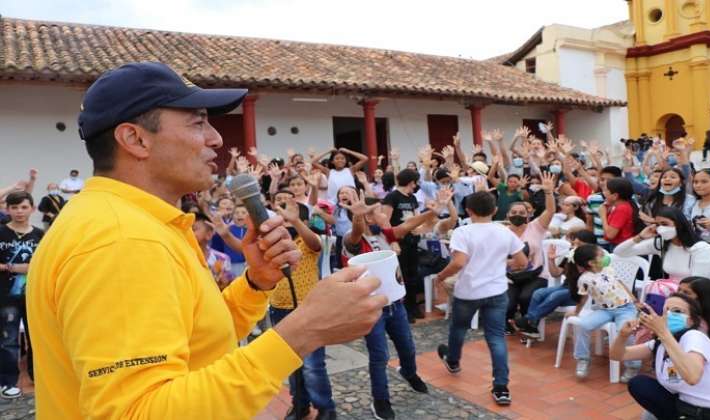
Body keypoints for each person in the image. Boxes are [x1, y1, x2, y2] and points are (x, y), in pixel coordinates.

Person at [26, 61, 387, 420]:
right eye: (198, 122)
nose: (216, 138)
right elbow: (138, 411)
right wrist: (303, 331)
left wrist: (255, 283)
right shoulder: (123, 240)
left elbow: (197, 339)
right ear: (135, 139)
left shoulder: (136, 222)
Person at [342, 191, 438, 420]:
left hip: (396, 304)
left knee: (407, 346)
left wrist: (434, 210)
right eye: (376, 210)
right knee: (379, 356)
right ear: (366, 217)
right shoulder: (350, 238)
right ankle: (381, 400)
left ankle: (409, 372)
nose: (383, 212)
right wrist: (357, 218)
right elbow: (355, 236)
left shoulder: (382, 234)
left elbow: (407, 225)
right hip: (372, 307)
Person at [435, 191, 529, 407]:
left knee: (459, 328)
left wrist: (440, 277)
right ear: (495, 210)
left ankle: (453, 361)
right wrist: (500, 264)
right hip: (496, 291)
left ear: (468, 211)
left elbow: (459, 262)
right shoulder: (504, 232)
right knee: (496, 338)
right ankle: (501, 387)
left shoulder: (463, 231)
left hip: (468, 292)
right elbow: (522, 262)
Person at [611, 294, 710, 419]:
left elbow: (692, 377)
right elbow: (618, 355)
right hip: (687, 411)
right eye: (665, 311)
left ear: (691, 321)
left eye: (677, 311)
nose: (669, 315)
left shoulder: (694, 337)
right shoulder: (660, 344)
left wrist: (663, 333)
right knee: (639, 384)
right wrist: (623, 335)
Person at [269, 195, 337, 420]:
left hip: (307, 309)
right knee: (290, 362)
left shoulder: (308, 243)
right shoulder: (275, 242)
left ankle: (325, 408)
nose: (286, 220)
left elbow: (316, 243)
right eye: (283, 216)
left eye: (293, 217)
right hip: (279, 308)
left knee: (312, 365)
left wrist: (296, 221)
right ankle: (300, 404)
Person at [564, 244, 641, 381]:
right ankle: (583, 359)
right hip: (605, 310)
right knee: (582, 325)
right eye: (601, 255)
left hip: (626, 308)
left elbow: (621, 284)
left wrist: (634, 300)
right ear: (591, 263)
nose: (605, 256)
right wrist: (576, 312)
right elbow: (584, 298)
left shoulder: (608, 269)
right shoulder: (585, 279)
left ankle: (633, 365)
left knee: (626, 331)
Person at [614, 207, 710, 298]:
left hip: (695, 298)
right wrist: (640, 237)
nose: (661, 228)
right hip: (669, 295)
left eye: (665, 224)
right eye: (657, 225)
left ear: (679, 224)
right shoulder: (662, 244)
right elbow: (620, 252)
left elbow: (700, 286)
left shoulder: (701, 249)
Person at [0, 191, 43, 397]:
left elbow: (44, 264)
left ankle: (39, 378)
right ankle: (8, 382)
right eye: (14, 207)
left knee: (37, 338)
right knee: (8, 339)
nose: (19, 212)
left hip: (34, 296)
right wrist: (15, 267)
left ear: (32, 209)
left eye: (24, 207)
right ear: (7, 209)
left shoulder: (40, 234)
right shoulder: (0, 232)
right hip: (5, 296)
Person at [514, 230, 597, 338]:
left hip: (581, 294)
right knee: (539, 293)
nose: (575, 247)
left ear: (590, 245)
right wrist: (551, 260)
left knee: (555, 296)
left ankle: (528, 319)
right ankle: (532, 328)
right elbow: (556, 274)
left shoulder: (594, 259)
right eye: (574, 244)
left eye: (579, 244)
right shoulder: (571, 254)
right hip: (566, 288)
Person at [504, 172, 557, 332]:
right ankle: (508, 322)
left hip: (535, 275)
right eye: (514, 213)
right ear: (508, 215)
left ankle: (529, 324)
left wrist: (548, 192)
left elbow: (550, 211)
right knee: (508, 303)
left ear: (528, 215)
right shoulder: (502, 232)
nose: (517, 215)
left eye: (521, 213)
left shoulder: (536, 227)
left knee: (526, 297)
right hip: (509, 276)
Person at [382, 169, 424, 322]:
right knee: (402, 275)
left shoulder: (412, 198)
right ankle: (405, 309)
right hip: (398, 242)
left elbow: (416, 216)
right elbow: (385, 220)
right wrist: (392, 239)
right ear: (411, 182)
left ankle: (413, 306)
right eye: (415, 182)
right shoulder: (392, 197)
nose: (415, 185)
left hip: (412, 240)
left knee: (413, 274)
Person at [192, 212, 233, 290]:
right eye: (187, 229)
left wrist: (223, 283)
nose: (189, 232)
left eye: (194, 229)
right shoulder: (181, 256)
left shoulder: (221, 259)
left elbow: (228, 286)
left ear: (209, 234)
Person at [586, 166, 623, 251]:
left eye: (609, 180)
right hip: (599, 243)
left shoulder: (625, 200)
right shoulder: (592, 199)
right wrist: (589, 242)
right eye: (602, 180)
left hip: (618, 244)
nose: (605, 183)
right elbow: (589, 222)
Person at [598, 178, 642, 248]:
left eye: (606, 190)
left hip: (621, 246)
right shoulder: (622, 206)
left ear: (615, 196)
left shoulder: (622, 209)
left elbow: (610, 235)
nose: (603, 193)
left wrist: (602, 215)